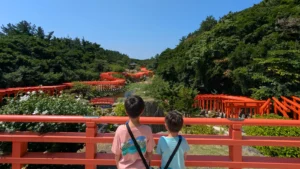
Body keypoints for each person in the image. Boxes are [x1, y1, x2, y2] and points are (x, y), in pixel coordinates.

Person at [112, 95, 155, 169]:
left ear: (126, 111)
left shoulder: (120, 130)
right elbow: (150, 153)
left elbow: (117, 154)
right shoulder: (147, 130)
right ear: (142, 111)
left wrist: (118, 166)